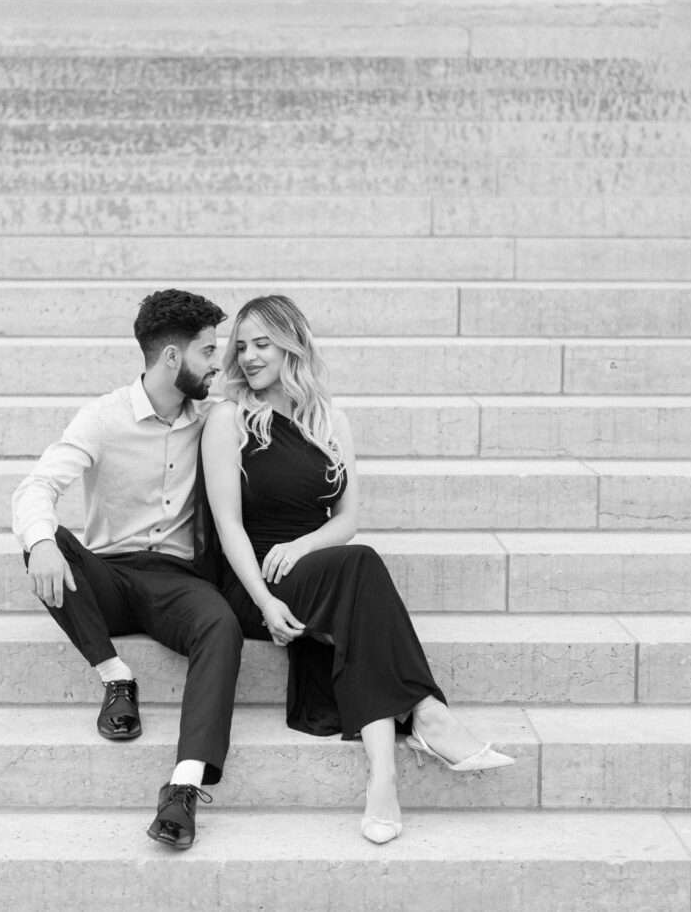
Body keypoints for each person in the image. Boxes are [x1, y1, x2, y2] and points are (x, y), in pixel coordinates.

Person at [200, 294, 514, 846]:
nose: (248, 356)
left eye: (262, 344)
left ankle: (385, 776)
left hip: (311, 564)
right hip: (253, 579)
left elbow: (346, 519)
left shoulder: (329, 419)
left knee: (357, 572)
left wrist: (301, 547)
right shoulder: (228, 417)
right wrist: (267, 600)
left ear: (292, 345)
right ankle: (427, 716)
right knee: (361, 570)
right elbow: (228, 526)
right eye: (241, 346)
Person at [11, 288, 237, 851]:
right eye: (208, 352)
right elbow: (38, 486)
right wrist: (40, 542)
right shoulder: (104, 416)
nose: (217, 364)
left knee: (221, 624)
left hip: (177, 582)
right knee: (45, 539)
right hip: (108, 574)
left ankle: (183, 786)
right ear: (170, 358)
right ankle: (116, 676)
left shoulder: (212, 414)